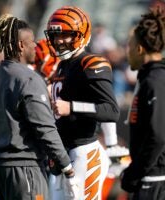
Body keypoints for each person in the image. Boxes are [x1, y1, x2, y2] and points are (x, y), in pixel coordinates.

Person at [0, 14, 77, 200]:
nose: (36, 46)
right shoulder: (29, 78)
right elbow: (44, 127)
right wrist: (67, 166)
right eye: (32, 41)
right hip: (24, 167)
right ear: (21, 46)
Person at [44, 6, 120, 200]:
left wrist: (72, 107)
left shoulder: (90, 63)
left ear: (80, 35)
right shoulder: (62, 66)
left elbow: (111, 110)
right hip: (64, 155)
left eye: (66, 35)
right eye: (55, 35)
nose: (59, 41)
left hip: (84, 152)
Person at [120, 6, 165, 200]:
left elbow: (158, 136)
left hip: (154, 181)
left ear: (139, 49)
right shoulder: (149, 78)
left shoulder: (155, 80)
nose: (127, 51)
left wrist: (133, 173)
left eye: (129, 46)